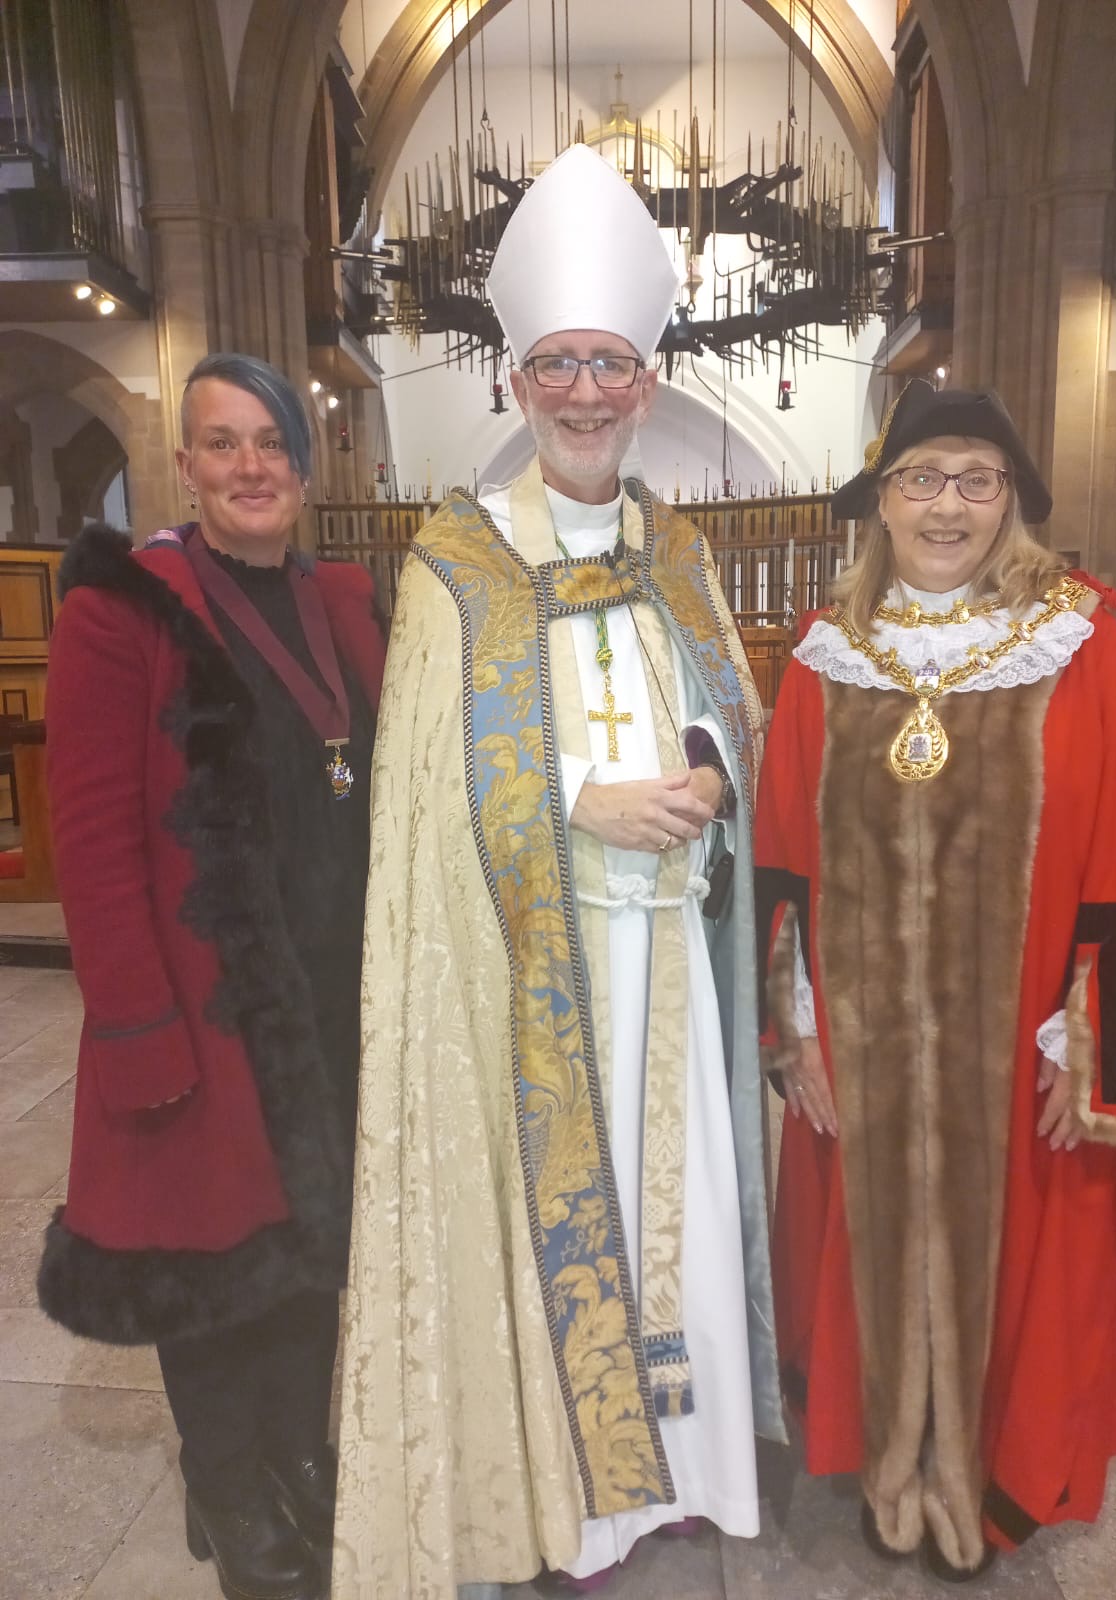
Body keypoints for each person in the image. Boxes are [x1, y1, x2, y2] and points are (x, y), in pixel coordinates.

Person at [333, 143, 784, 1600]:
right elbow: (424, 785)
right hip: (539, 963)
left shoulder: (683, 552)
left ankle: (697, 1467)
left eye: (612, 365)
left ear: (649, 380)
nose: (587, 393)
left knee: (691, 1196)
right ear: (518, 384)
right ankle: (580, 1495)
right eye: (558, 367)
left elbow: (732, 709)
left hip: (676, 964)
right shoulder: (455, 562)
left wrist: (714, 765)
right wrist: (580, 805)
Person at [756, 377, 1116, 1582]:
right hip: (864, 1036)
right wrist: (793, 1026)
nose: (947, 507)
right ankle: (886, 1456)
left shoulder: (1078, 644)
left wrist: (1093, 1031)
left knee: (1021, 1252)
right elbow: (785, 851)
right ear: (881, 501)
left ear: (1012, 499)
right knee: (869, 1236)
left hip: (1026, 1039)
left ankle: (987, 1479)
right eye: (921, 479)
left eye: (976, 480)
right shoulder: (825, 656)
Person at [37, 353, 386, 1600]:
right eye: (223, 444)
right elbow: (87, 832)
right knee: (210, 1265)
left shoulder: (343, 601)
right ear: (183, 466)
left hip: (332, 993)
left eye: (272, 445)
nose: (250, 468)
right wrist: (135, 1026)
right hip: (203, 1005)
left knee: (306, 1251)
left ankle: (297, 1455)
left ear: (304, 466)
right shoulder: (125, 606)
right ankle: (231, 1484)